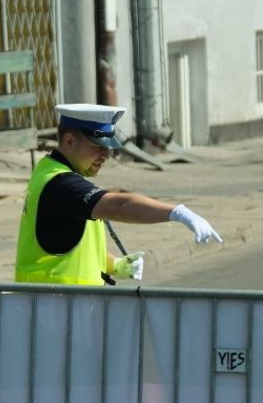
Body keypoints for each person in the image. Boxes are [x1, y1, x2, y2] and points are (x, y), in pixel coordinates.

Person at [15, 104, 223, 285]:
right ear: (69, 141)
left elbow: (62, 242)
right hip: (56, 312)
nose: (106, 155)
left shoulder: (48, 169)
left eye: (108, 148)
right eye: (98, 147)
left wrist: (115, 265)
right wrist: (176, 212)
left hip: (61, 309)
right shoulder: (62, 184)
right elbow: (119, 206)